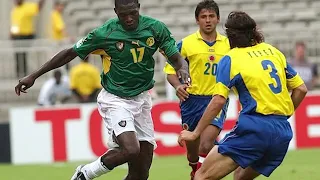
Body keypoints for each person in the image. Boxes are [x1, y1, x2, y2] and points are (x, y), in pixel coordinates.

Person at [14, 0, 190, 179]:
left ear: (138, 6)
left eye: (132, 13)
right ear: (115, 11)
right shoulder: (105, 33)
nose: (128, 19)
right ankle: (86, 172)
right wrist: (34, 75)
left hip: (142, 98)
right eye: (123, 15)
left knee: (141, 172)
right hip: (116, 99)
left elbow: (176, 58)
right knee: (130, 149)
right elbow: (69, 53)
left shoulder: (155, 28)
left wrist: (182, 68)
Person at [178, 11, 308, 180]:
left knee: (201, 176)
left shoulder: (231, 58)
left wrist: (195, 133)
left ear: (230, 35)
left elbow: (218, 100)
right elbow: (301, 89)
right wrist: (283, 115)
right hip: (282, 134)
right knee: (240, 177)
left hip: (254, 129)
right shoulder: (273, 51)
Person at [163, 0, 230, 179]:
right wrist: (178, 86)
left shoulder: (229, 45)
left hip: (216, 99)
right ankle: (196, 170)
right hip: (191, 101)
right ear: (197, 20)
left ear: (218, 19)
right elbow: (170, 72)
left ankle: (203, 174)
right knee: (193, 153)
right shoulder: (185, 44)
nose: (207, 20)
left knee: (205, 145)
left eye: (211, 16)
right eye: (203, 17)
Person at [11, 0, 46, 78]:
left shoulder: (27, 7)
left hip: (25, 35)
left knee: (23, 54)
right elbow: (15, 23)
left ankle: (24, 73)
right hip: (16, 36)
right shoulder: (15, 9)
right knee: (17, 54)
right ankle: (18, 73)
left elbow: (38, 8)